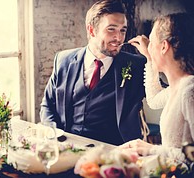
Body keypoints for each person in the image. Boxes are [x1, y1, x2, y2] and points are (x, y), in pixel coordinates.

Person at [40, 0, 146, 145]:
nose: (119, 37)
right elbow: (48, 105)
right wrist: (54, 136)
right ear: (91, 30)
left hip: (115, 152)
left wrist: (152, 58)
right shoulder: (63, 60)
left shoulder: (136, 65)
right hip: (68, 147)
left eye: (123, 30)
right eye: (111, 29)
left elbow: (169, 92)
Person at [120, 12, 194, 160]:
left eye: (151, 43)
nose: (148, 48)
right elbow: (153, 100)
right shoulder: (178, 87)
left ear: (164, 47)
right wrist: (149, 57)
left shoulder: (189, 92)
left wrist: (151, 150)